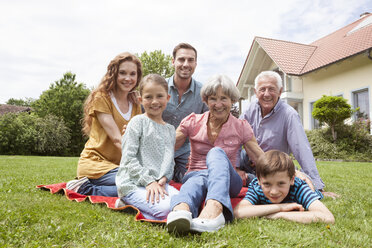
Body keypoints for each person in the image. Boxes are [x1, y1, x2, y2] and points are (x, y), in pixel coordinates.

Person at [166, 75, 264, 234]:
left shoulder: (241, 127)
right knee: (193, 183)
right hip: (196, 174)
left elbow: (260, 157)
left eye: (223, 98)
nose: (218, 104)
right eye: (213, 99)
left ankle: (214, 209)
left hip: (228, 181)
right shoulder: (192, 121)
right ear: (205, 100)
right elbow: (167, 147)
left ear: (232, 100)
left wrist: (290, 172)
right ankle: (180, 211)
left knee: (216, 152)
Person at [66, 52, 143, 197]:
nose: (128, 78)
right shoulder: (102, 97)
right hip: (94, 164)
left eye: (133, 74)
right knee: (140, 184)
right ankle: (85, 189)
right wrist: (139, 168)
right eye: (122, 73)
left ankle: (92, 186)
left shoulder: (135, 102)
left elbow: (138, 137)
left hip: (118, 166)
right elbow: (116, 139)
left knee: (142, 185)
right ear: (114, 74)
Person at [239, 71, 325, 190]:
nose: (267, 94)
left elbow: (302, 149)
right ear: (255, 92)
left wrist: (316, 184)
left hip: (272, 168)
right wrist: (236, 168)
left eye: (272, 89)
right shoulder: (250, 109)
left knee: (281, 182)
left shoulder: (289, 115)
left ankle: (250, 179)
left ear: (280, 91)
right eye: (262, 89)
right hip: (247, 161)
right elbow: (235, 136)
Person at [115, 74, 179, 220]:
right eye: (149, 97)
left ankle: (141, 206)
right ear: (140, 100)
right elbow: (128, 158)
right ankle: (126, 202)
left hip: (158, 183)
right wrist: (148, 181)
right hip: (134, 183)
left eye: (160, 96)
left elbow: (170, 160)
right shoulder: (137, 122)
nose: (155, 101)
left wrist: (164, 178)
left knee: (183, 203)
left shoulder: (170, 129)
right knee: (165, 210)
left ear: (167, 98)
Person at [234, 150, 335, 224]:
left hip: (310, 191)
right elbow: (238, 212)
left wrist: (279, 215)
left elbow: (327, 217)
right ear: (259, 180)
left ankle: (322, 193)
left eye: (281, 183)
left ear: (291, 180)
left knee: (315, 194)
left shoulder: (298, 188)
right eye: (267, 184)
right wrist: (282, 207)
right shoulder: (256, 186)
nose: (273, 191)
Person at [162, 43, 208, 183]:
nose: (186, 64)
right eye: (181, 59)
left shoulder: (204, 93)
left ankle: (177, 172)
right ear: (173, 61)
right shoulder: (158, 88)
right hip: (158, 150)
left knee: (196, 180)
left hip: (186, 152)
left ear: (195, 63)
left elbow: (209, 126)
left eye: (190, 60)